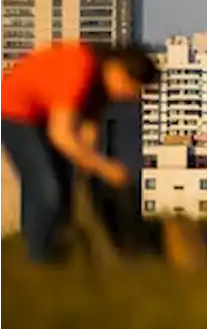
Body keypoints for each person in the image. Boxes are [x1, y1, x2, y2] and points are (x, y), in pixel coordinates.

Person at [0, 42, 159, 263]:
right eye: (130, 87)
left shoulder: (101, 88)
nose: (128, 95)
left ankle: (59, 251)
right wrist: (104, 168)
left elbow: (88, 133)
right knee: (47, 190)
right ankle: (39, 260)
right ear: (118, 71)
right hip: (15, 113)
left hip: (46, 117)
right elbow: (61, 135)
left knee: (63, 191)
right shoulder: (79, 68)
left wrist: (89, 168)